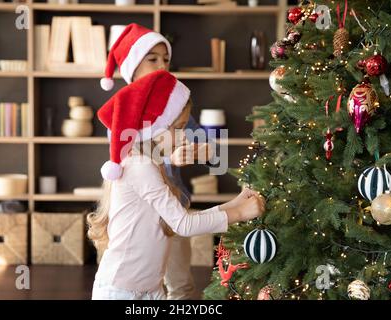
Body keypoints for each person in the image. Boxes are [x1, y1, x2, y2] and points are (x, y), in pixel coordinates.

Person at [88, 70, 265, 300]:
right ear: (153, 127)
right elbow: (184, 224)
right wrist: (238, 213)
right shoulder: (139, 166)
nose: (184, 136)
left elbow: (180, 216)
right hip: (120, 293)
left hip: (151, 291)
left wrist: (234, 203)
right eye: (178, 128)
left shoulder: (150, 163)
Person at [99, 23, 225, 299]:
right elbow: (130, 159)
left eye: (165, 59)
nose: (161, 66)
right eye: (152, 59)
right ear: (132, 67)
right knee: (135, 283)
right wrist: (168, 155)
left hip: (174, 215)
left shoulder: (175, 103)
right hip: (136, 223)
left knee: (180, 285)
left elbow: (217, 154)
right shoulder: (121, 116)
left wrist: (199, 152)